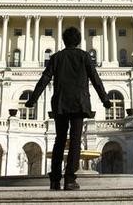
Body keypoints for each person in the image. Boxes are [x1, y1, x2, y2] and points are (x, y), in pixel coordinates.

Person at [25, 26, 111, 191]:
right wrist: (105, 99)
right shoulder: (84, 56)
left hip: (61, 103)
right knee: (75, 141)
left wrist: (33, 99)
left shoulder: (56, 57)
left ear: (64, 41)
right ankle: (70, 179)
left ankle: (55, 179)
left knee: (59, 140)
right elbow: (96, 79)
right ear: (78, 41)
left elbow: (44, 78)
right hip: (79, 104)